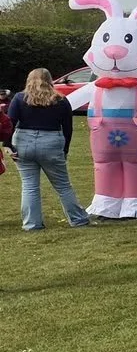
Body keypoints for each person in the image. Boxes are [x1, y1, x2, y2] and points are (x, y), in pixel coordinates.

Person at [8, 67, 89, 230]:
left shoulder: (19, 98)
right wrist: (64, 150)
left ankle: (32, 224)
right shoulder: (61, 100)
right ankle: (78, 219)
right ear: (50, 80)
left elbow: (9, 124)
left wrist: (8, 145)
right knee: (63, 185)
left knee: (29, 186)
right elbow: (68, 128)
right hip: (51, 141)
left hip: (23, 141)